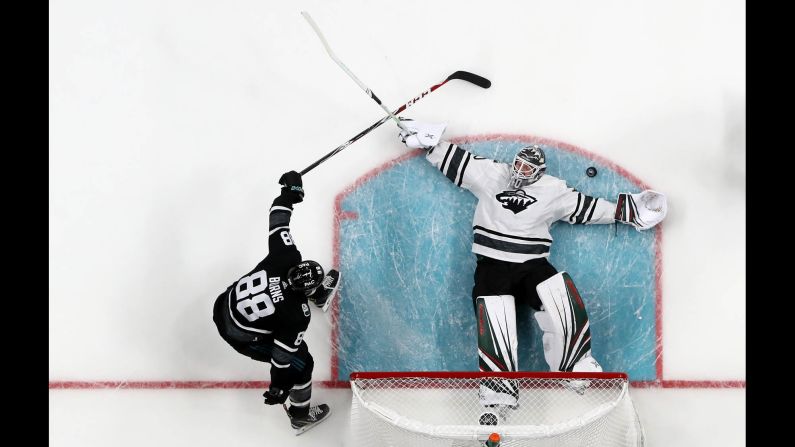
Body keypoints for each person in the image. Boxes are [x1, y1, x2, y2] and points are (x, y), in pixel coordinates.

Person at [397, 119, 667, 423]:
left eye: (527, 169)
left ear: (538, 172)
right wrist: (431, 143)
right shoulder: (493, 174)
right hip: (492, 267)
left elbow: (587, 207)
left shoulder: (553, 190)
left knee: (562, 298)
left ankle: (573, 365)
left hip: (532, 265)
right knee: (495, 319)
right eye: (518, 165)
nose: (519, 172)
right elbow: (460, 163)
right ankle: (497, 394)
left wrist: (627, 210)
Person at [212, 170, 341, 435]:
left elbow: (278, 222)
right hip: (238, 334)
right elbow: (282, 360)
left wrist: (288, 194)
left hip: (223, 304)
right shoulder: (296, 316)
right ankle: (300, 415)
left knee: (283, 326)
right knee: (302, 362)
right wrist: (280, 387)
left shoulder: (285, 257)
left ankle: (317, 296)